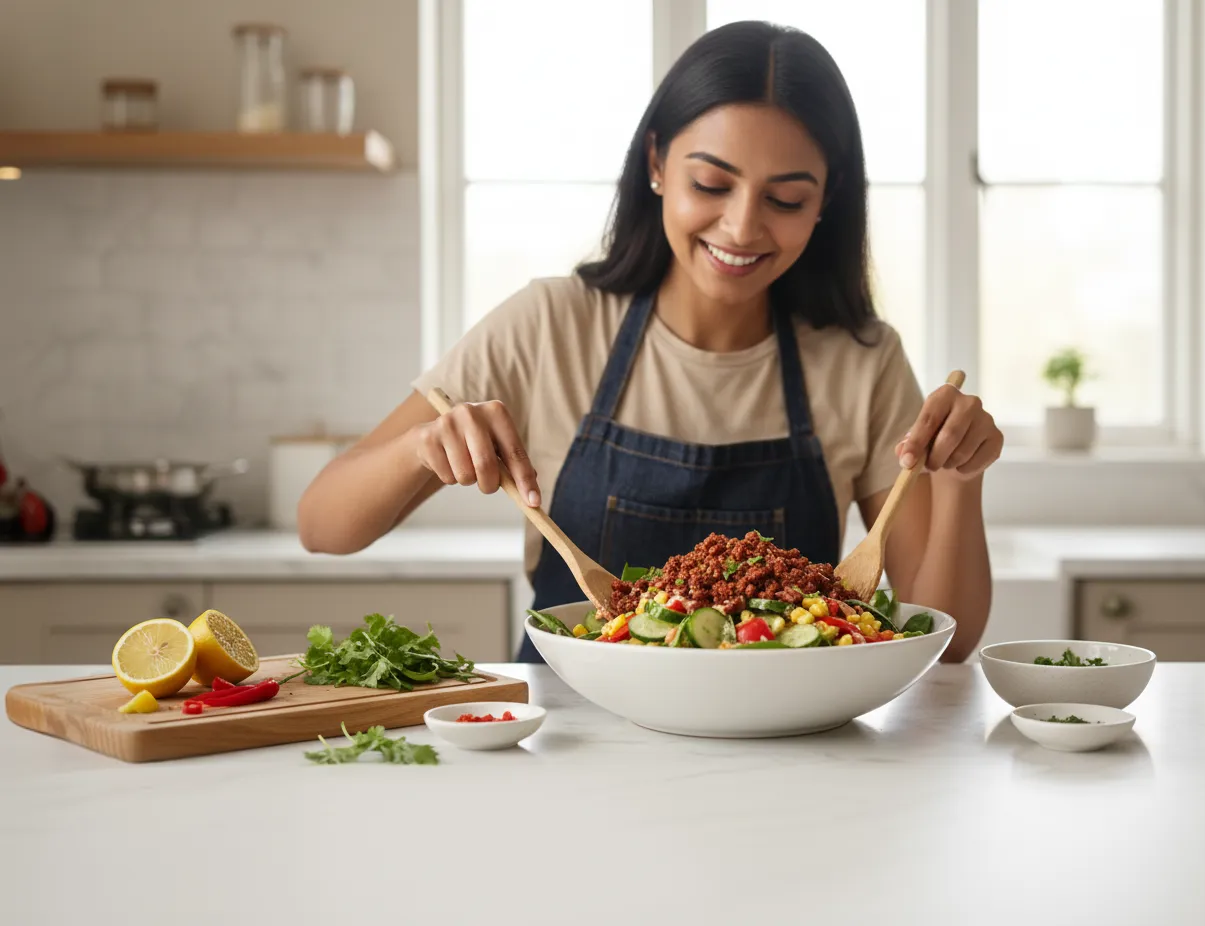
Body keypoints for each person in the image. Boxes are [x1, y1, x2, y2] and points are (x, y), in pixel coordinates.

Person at [298, 21, 1003, 663]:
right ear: (658, 163)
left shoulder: (861, 361)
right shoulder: (549, 325)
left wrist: (960, 480)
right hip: (569, 744)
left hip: (788, 756)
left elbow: (948, 639)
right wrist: (424, 449)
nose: (741, 227)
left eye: (785, 199)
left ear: (826, 201)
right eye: (711, 183)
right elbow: (323, 525)